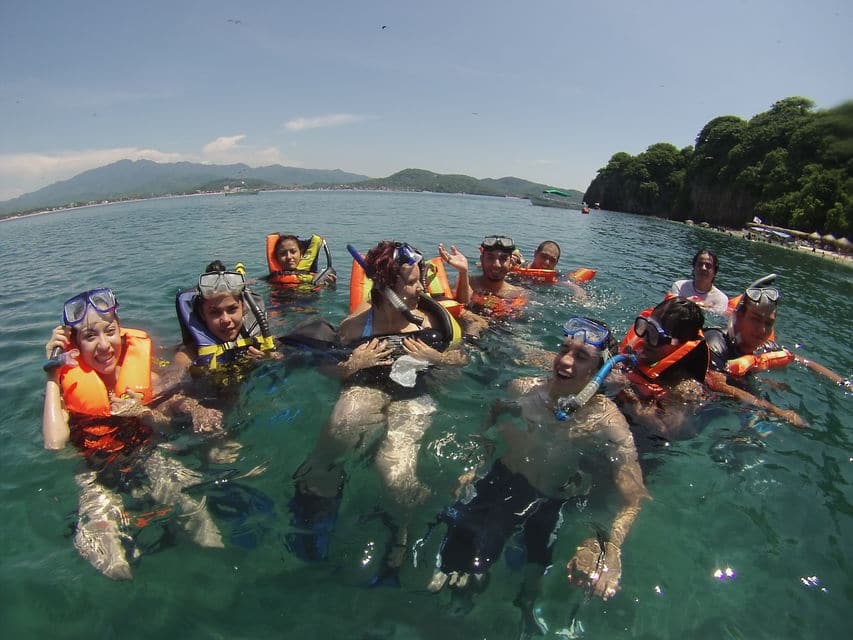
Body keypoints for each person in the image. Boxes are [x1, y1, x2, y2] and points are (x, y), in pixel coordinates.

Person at [427, 318, 648, 631]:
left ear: (598, 372)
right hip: (501, 481)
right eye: (564, 349)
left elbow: (633, 498)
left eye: (581, 356)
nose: (565, 360)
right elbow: (495, 411)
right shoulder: (525, 389)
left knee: (530, 590)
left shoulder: (608, 425)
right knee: (455, 571)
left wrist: (611, 548)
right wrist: (477, 460)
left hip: (549, 501)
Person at [287, 241, 467, 579]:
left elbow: (461, 364)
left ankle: (403, 532)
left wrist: (437, 358)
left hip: (414, 393)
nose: (421, 289)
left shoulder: (433, 323)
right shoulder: (355, 327)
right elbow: (326, 368)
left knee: (394, 473)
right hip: (367, 384)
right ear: (387, 289)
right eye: (412, 283)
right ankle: (318, 490)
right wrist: (351, 365)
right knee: (343, 422)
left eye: (420, 281)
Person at [42, 288, 226, 580]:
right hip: (94, 468)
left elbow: (167, 418)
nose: (104, 345)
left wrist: (180, 410)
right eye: (90, 337)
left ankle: (219, 565)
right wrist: (53, 373)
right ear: (74, 345)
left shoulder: (145, 379)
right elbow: (54, 444)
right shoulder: (65, 395)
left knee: (186, 502)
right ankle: (118, 565)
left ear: (121, 332)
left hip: (145, 453)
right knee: (101, 523)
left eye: (110, 332)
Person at [704, 278, 847, 428]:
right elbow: (717, 383)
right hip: (706, 402)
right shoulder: (715, 342)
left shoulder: (763, 347)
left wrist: (845, 384)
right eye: (755, 320)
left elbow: (804, 362)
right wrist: (777, 411)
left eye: (768, 323)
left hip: (746, 400)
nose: (762, 330)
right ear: (739, 317)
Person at [615, 297, 710, 441]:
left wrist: (627, 394)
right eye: (645, 328)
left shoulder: (684, 386)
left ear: (679, 345)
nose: (645, 339)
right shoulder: (632, 354)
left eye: (654, 335)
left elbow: (666, 430)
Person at [173, 262, 276, 374]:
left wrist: (269, 358)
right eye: (214, 312)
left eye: (232, 309)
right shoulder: (187, 357)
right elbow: (168, 384)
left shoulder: (263, 339)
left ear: (243, 308)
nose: (226, 320)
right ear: (203, 314)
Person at [466, 235, 528, 321]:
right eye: (490, 257)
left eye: (503, 258)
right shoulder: (467, 283)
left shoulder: (519, 294)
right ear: (481, 259)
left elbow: (516, 320)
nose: (496, 265)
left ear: (510, 263)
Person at [266, 233, 336, 287]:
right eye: (282, 253)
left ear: (301, 254)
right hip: (278, 304)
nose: (289, 257)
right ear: (276, 257)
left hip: (307, 303)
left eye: (293, 252)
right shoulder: (270, 279)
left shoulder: (316, 278)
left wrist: (331, 286)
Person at [671, 249, 729, 315]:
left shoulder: (721, 299)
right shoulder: (679, 286)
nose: (703, 268)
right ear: (694, 268)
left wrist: (688, 303)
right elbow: (672, 310)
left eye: (708, 266)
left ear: (715, 272)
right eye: (700, 264)